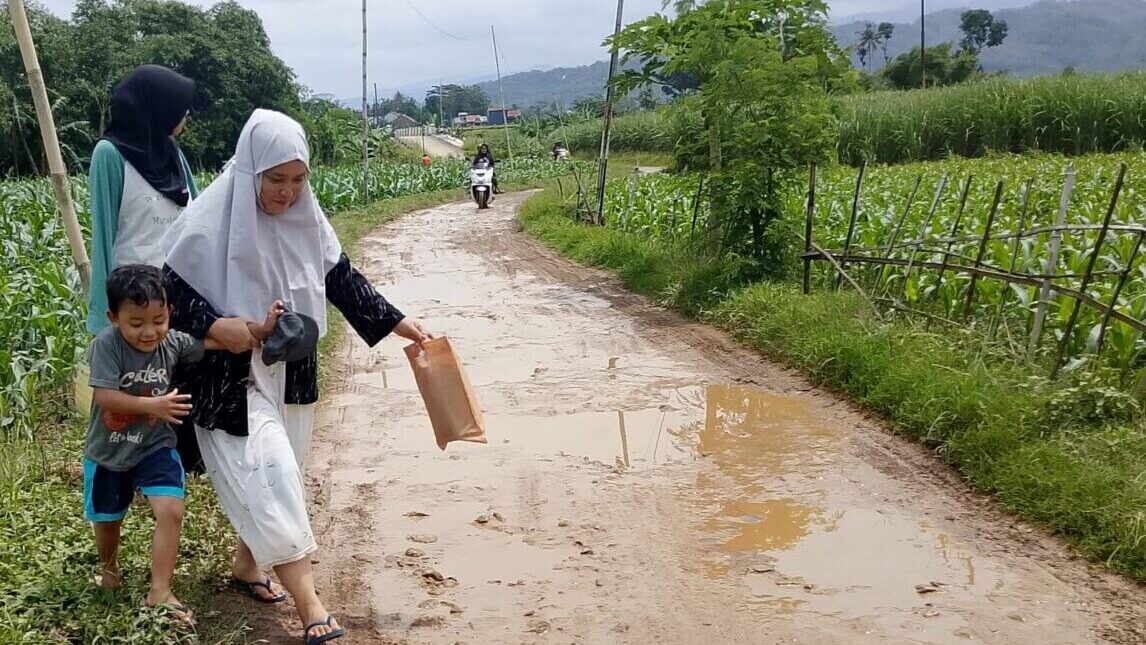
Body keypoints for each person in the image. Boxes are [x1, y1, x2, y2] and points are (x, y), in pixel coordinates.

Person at [162, 109, 433, 645]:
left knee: (281, 467)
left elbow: (340, 279)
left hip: (292, 369)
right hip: (227, 378)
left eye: (298, 179)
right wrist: (221, 325)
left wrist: (400, 323)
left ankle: (246, 563)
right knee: (272, 471)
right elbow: (167, 294)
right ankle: (311, 606)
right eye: (275, 180)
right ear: (249, 173)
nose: (288, 193)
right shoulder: (207, 223)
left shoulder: (308, 219)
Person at [84, 264, 281, 627]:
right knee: (109, 520)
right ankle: (109, 570)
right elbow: (104, 397)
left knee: (171, 510)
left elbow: (220, 340)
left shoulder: (171, 342)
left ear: (169, 313)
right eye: (136, 323)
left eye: (158, 320)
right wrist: (151, 406)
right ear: (114, 318)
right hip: (109, 451)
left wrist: (263, 330)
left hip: (155, 446)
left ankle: (160, 590)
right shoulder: (106, 345)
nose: (149, 332)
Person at [87, 64, 198, 335]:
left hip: (181, 302)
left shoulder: (172, 152)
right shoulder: (110, 155)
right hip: (137, 311)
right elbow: (102, 238)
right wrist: (103, 322)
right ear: (158, 105)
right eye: (179, 106)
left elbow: (198, 220)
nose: (185, 114)